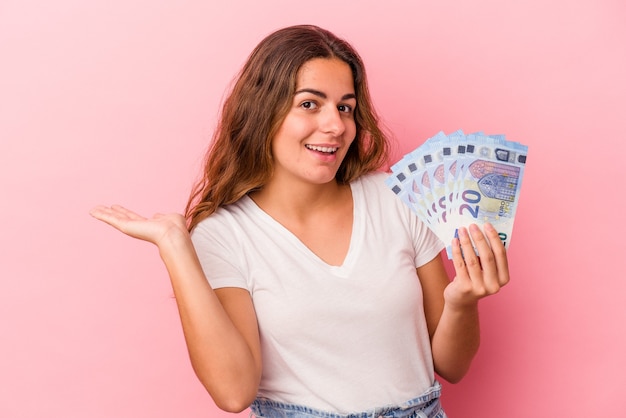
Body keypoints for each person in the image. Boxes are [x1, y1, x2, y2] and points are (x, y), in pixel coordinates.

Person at [90, 24, 510, 418]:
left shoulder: (395, 199)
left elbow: (452, 367)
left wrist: (462, 300)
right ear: (264, 112)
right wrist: (175, 246)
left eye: (345, 107)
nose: (335, 125)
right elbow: (234, 392)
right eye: (310, 104)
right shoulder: (224, 234)